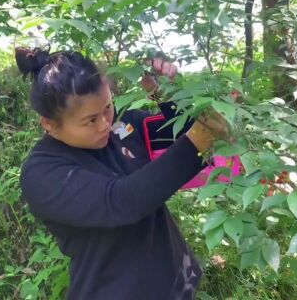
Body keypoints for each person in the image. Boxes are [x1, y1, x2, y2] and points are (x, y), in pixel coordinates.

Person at [15, 47, 228, 300]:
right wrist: (201, 138)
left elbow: (177, 135)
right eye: (90, 120)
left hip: (175, 282)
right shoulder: (43, 173)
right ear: (50, 124)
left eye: (107, 107)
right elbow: (122, 201)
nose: (105, 124)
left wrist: (169, 93)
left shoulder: (124, 127)